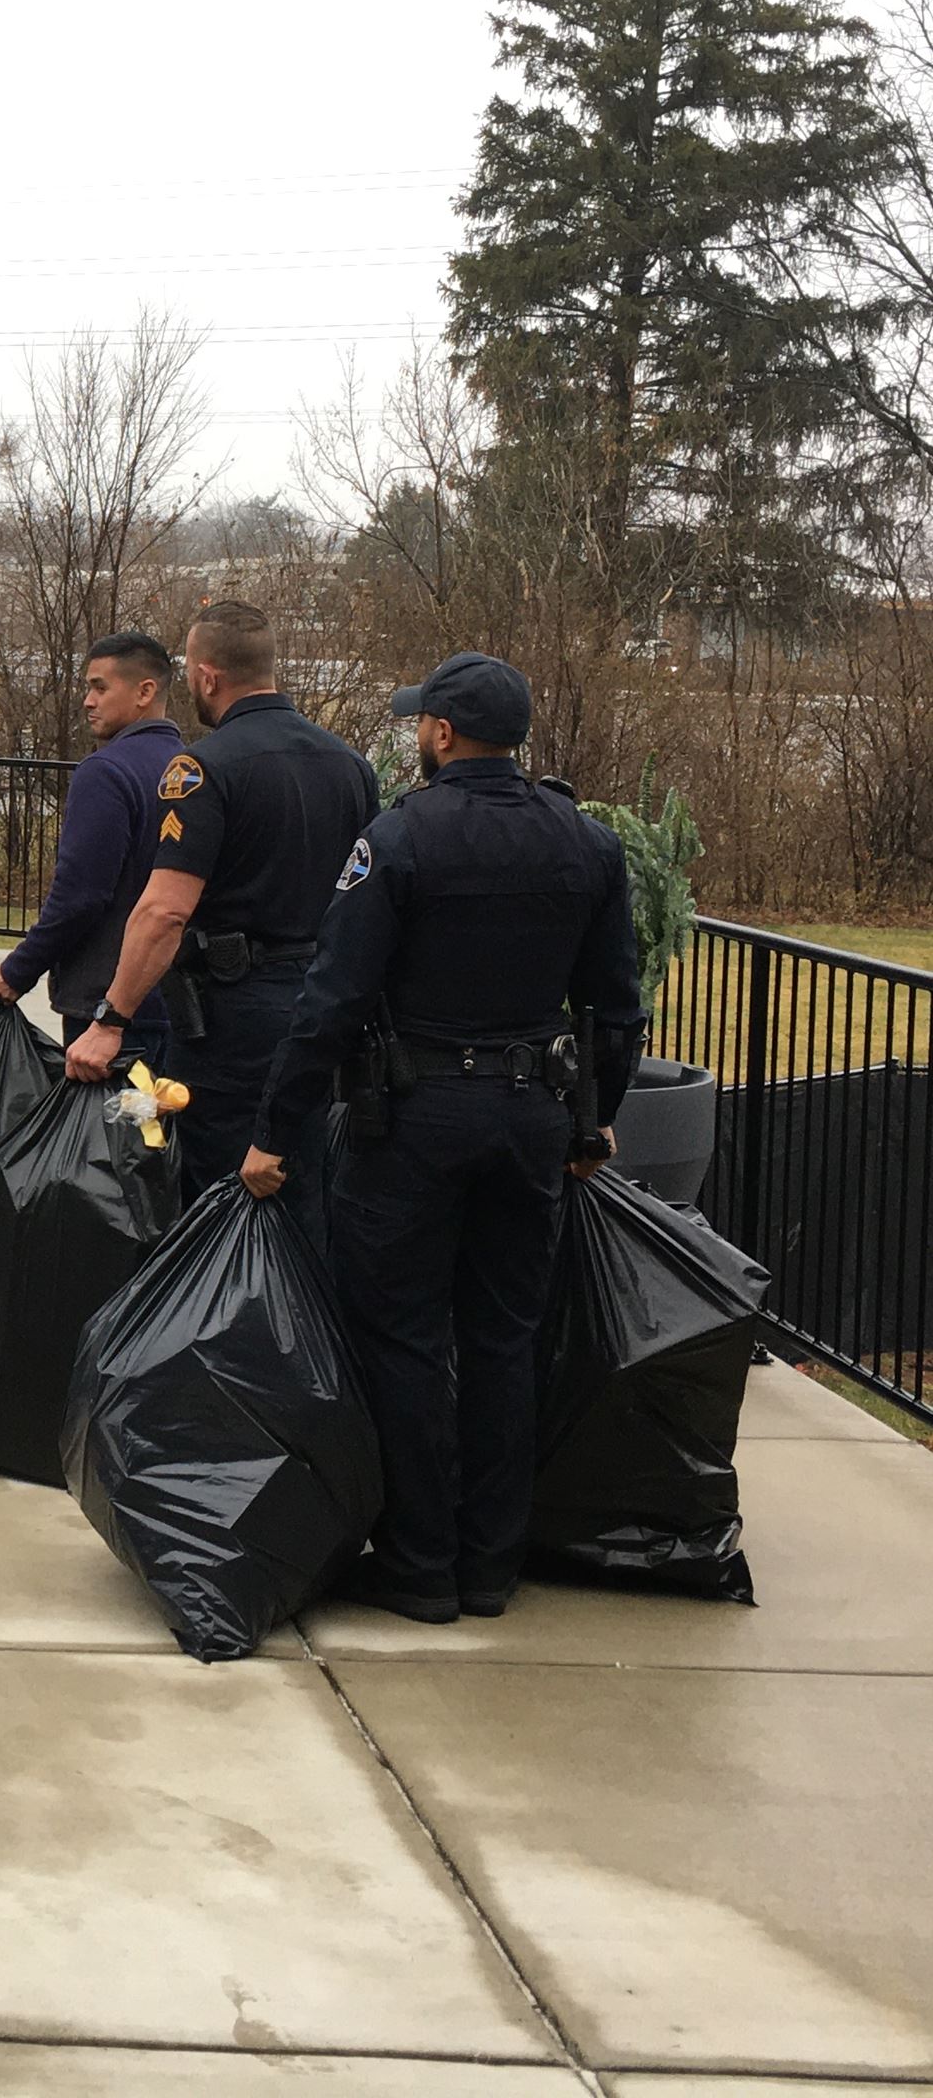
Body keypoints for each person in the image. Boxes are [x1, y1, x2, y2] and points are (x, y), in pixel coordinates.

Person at [240, 652, 645, 1624]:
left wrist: (274, 1130)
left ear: (441, 733)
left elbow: (330, 1000)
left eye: (422, 720)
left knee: (404, 1336)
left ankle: (420, 1566)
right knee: (505, 1337)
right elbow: (616, 1007)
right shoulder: (586, 844)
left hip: (413, 1120)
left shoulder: (398, 838)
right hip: (530, 1117)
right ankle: (490, 1564)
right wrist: (592, 1120)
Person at [64, 601, 377, 1229]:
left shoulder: (203, 769)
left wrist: (111, 1019)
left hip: (232, 1019)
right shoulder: (349, 766)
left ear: (207, 676)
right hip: (323, 1008)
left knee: (219, 1198)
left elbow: (164, 911)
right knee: (303, 1187)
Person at [0, 632, 183, 1070]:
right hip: (178, 1001)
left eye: (100, 687)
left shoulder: (106, 773)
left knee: (106, 1118)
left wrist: (18, 970)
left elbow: (80, 895)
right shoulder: (192, 771)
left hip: (106, 1008)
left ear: (145, 691)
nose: (88, 701)